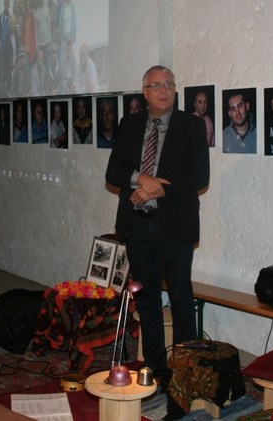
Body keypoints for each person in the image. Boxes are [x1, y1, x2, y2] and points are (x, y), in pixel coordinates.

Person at [105, 65, 209, 377]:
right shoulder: (130, 124)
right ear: (145, 92)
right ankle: (154, 370)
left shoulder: (191, 125)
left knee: (181, 300)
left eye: (169, 84)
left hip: (176, 227)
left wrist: (157, 189)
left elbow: (199, 177)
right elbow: (114, 172)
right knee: (147, 302)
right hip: (137, 225)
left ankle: (184, 375)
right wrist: (141, 179)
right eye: (156, 85)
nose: (163, 90)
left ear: (175, 90)